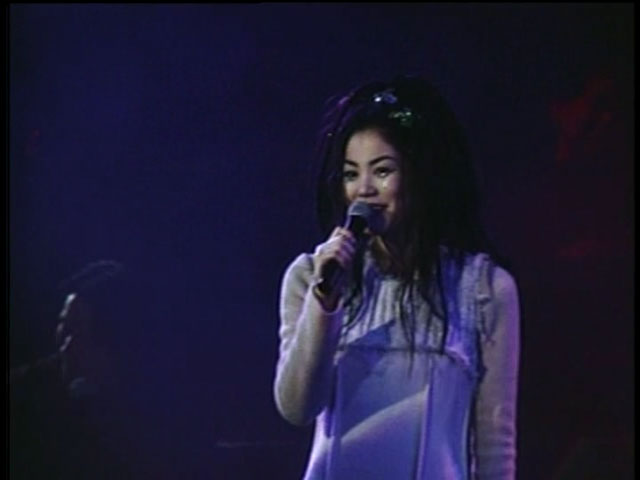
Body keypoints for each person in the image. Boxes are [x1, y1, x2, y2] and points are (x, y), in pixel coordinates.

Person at [273, 75, 520, 479]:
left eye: (383, 171)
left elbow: (495, 441)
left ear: (420, 176)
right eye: (351, 174)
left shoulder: (483, 289)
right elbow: (297, 407)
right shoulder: (309, 276)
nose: (363, 190)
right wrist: (325, 302)